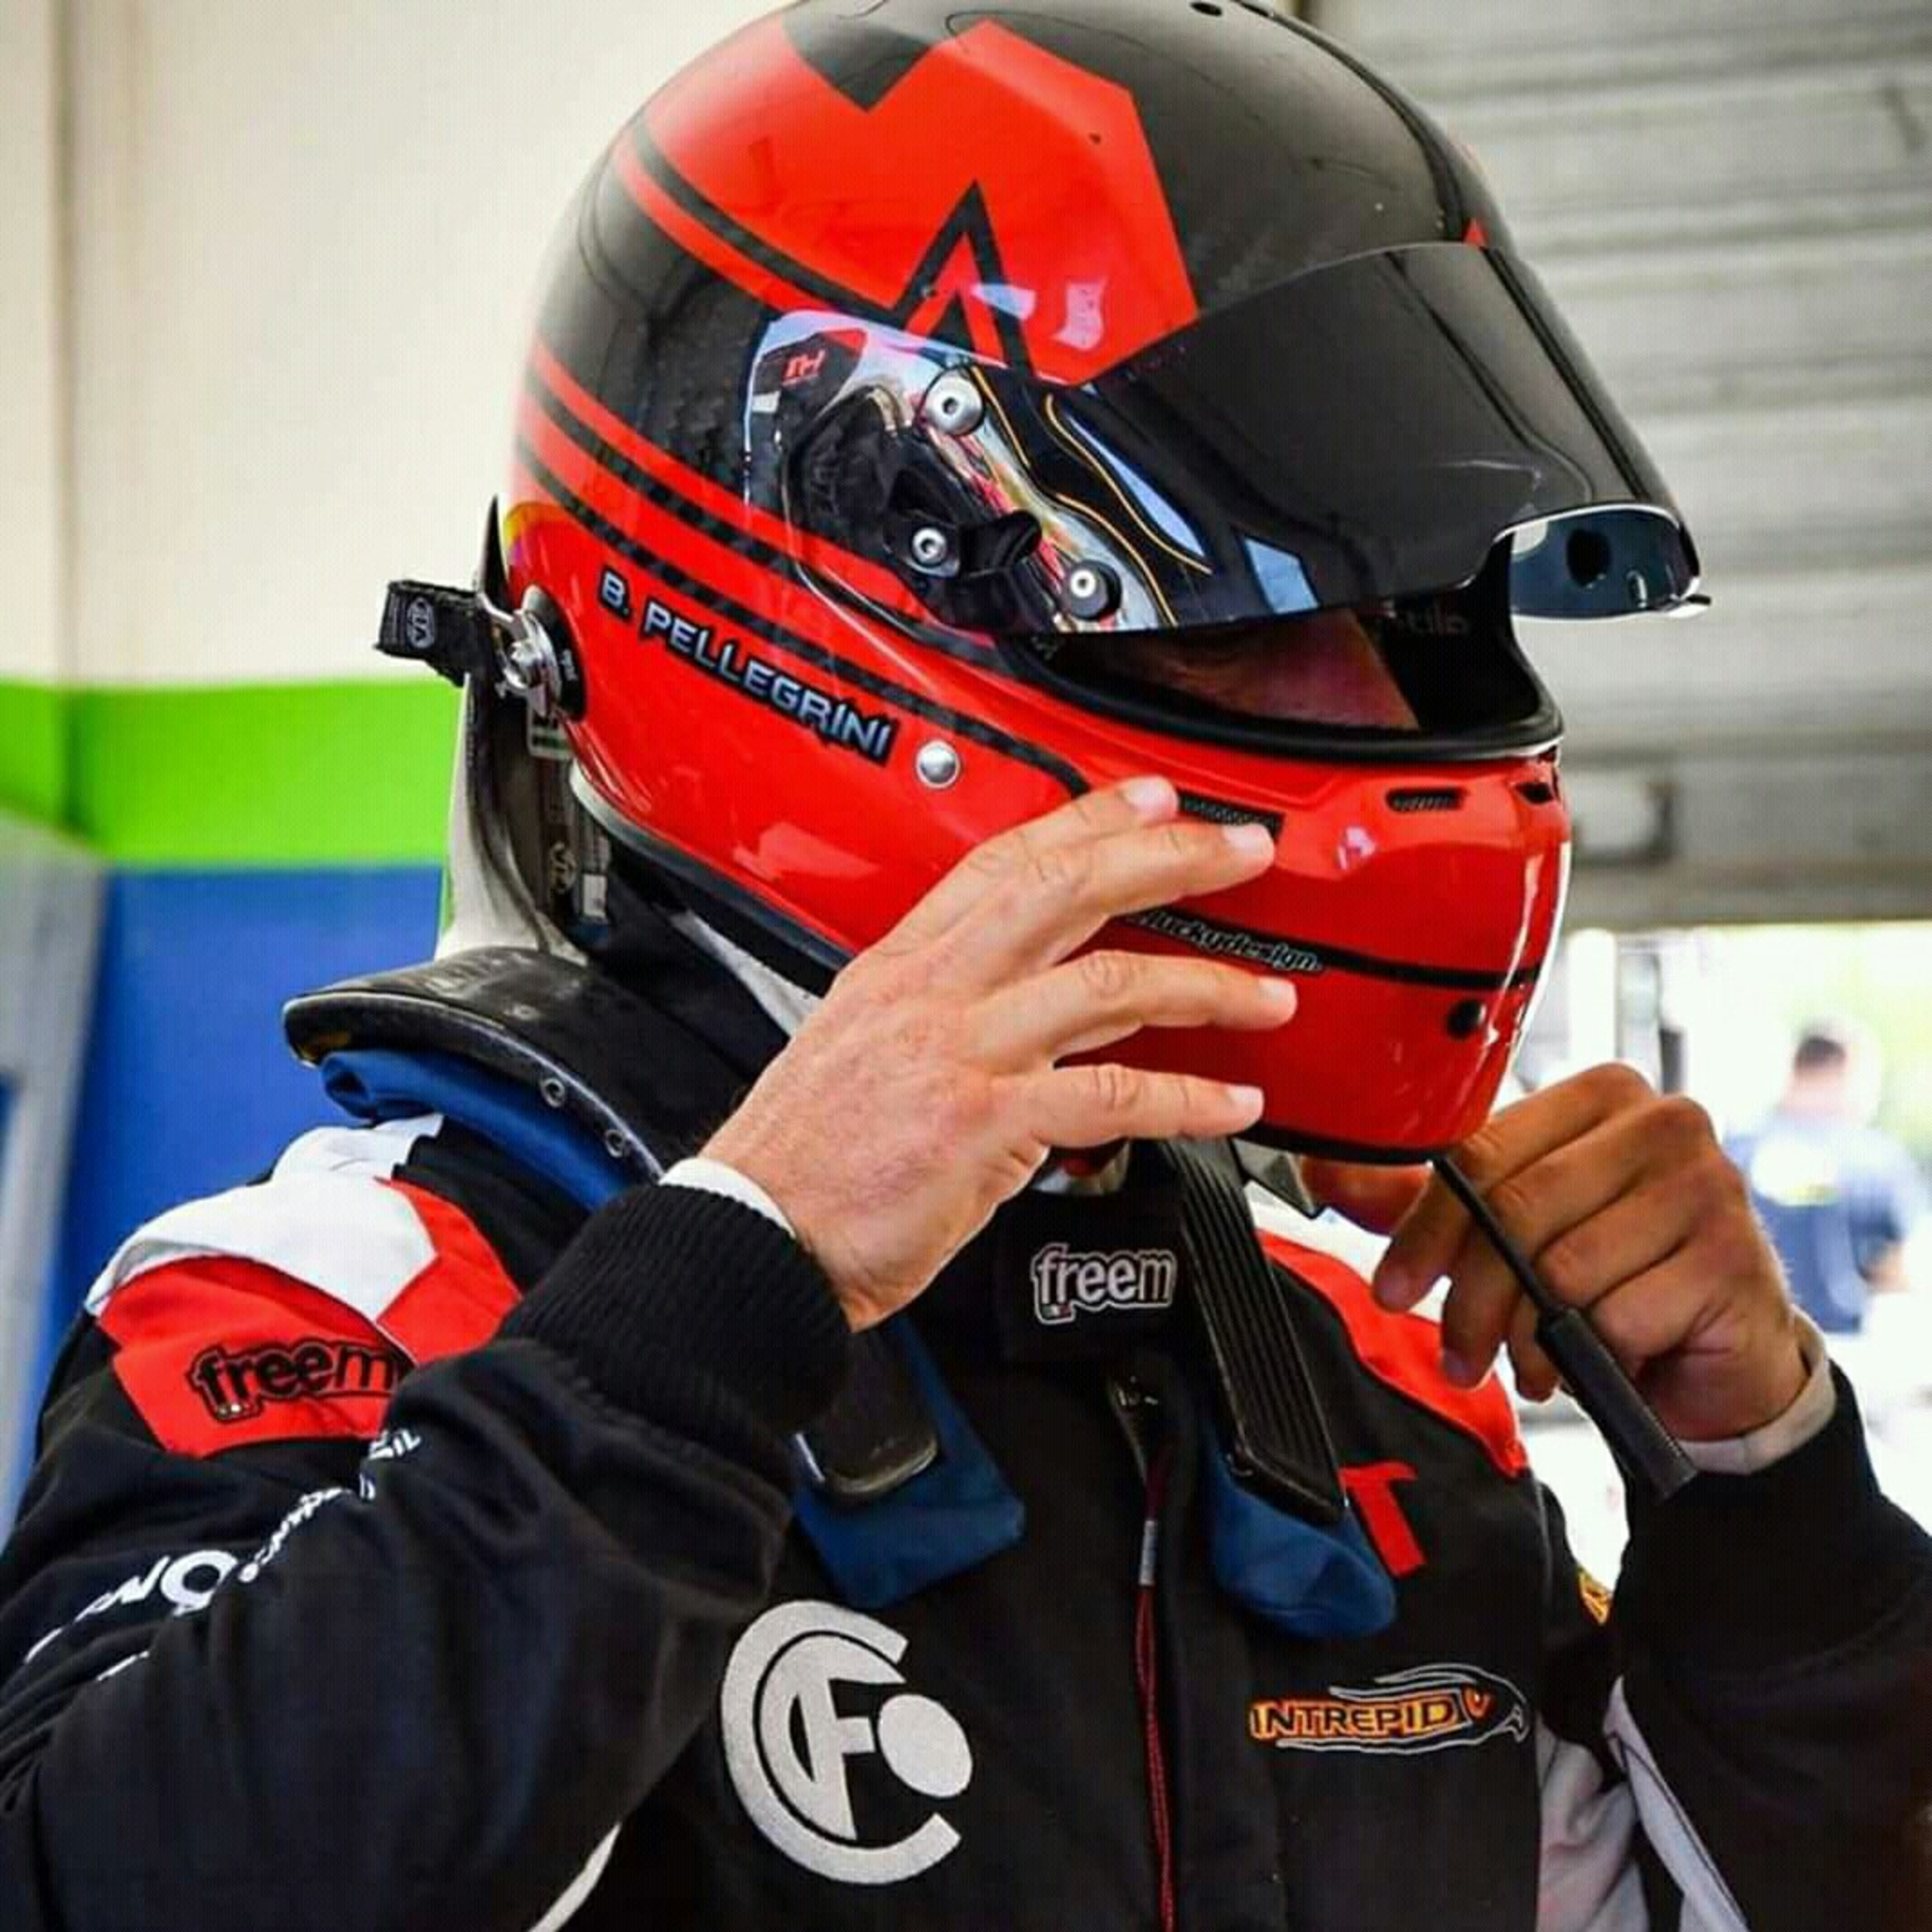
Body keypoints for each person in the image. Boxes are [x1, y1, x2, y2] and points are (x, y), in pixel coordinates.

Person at [1, 6, 1926, 1931]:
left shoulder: (1382, 1371)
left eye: (1409, 615)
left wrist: (1773, 1490)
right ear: (787, 628)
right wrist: (737, 1285)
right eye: (1228, 615)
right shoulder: (346, 1302)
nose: (1384, 712)